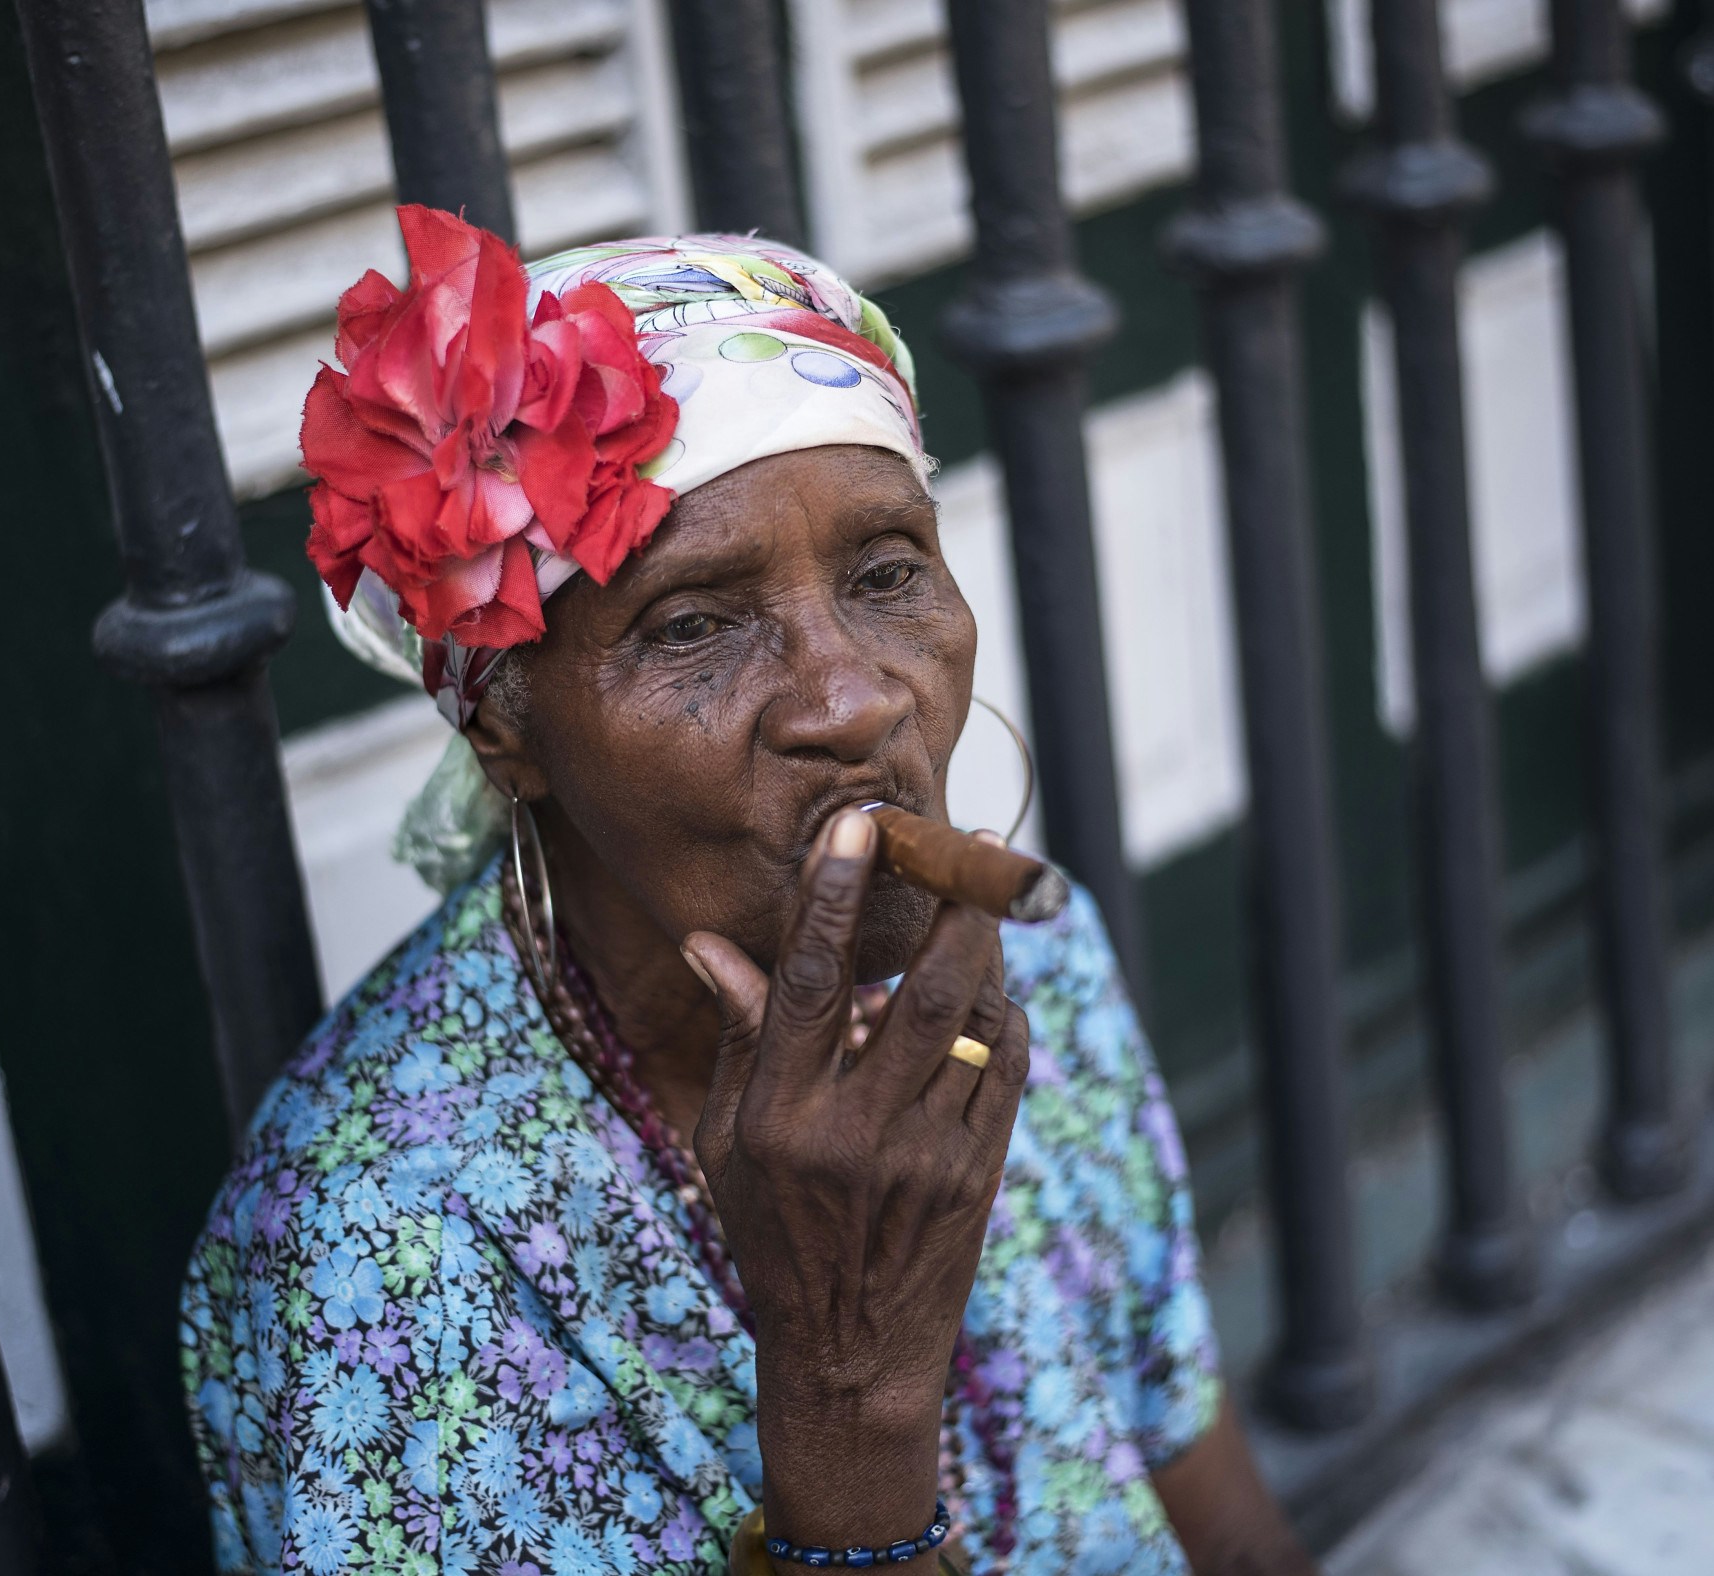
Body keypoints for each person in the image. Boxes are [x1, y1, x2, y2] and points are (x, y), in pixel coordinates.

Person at [180, 206, 1315, 1575]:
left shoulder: (1030, 951)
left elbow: (1173, 1427)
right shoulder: (375, 1248)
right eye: (693, 625)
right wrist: (848, 1399)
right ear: (505, 733)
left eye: (887, 573)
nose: (850, 699)